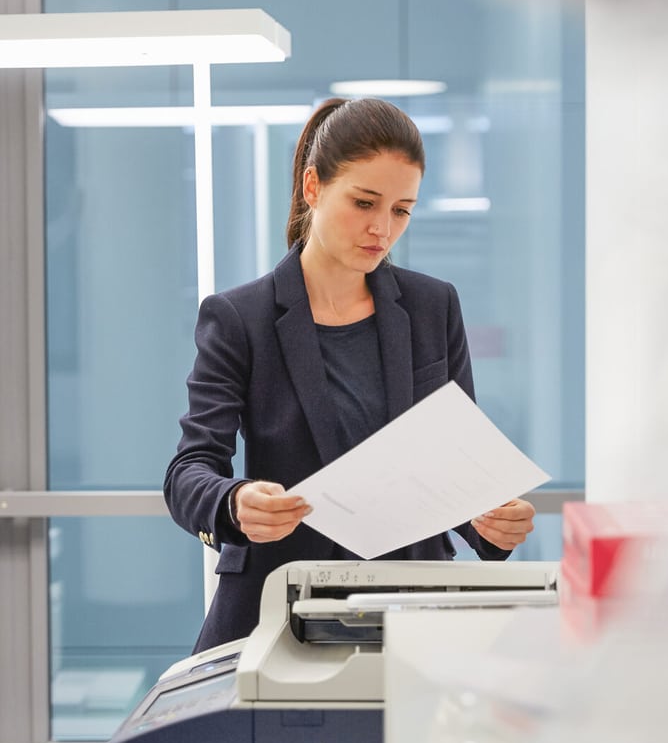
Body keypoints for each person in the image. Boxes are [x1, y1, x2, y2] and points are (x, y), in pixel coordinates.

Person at [164, 97, 536, 653]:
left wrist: (488, 520)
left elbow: (458, 468)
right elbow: (189, 469)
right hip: (279, 614)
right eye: (364, 202)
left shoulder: (434, 307)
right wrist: (235, 501)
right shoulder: (241, 317)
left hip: (414, 614)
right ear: (313, 188)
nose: (382, 228)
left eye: (402, 210)